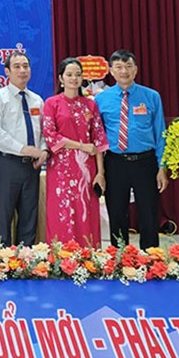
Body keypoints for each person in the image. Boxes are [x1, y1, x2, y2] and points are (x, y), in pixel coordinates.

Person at [95, 49, 168, 249]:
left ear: (135, 70)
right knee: (117, 212)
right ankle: (119, 259)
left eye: (128, 66)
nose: (124, 71)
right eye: (118, 67)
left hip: (145, 162)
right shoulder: (101, 100)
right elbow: (97, 137)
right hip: (115, 162)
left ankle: (152, 259)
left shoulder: (151, 96)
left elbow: (161, 132)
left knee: (149, 213)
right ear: (111, 71)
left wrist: (162, 166)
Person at [42, 57, 108, 246]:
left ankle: (88, 257)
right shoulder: (52, 103)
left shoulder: (90, 105)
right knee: (61, 212)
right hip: (60, 168)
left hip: (87, 169)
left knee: (86, 210)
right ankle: (61, 258)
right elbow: (51, 136)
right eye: (69, 75)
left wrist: (101, 173)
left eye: (78, 75)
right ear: (61, 78)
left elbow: (99, 141)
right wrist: (81, 146)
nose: (74, 78)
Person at [0, 52, 48, 246]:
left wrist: (44, 150)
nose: (22, 70)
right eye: (17, 67)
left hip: (32, 166)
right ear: (7, 71)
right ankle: (3, 262)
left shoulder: (37, 99)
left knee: (29, 215)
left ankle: (25, 260)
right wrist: (24, 149)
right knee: (3, 217)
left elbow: (45, 130)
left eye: (26, 66)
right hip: (7, 163)